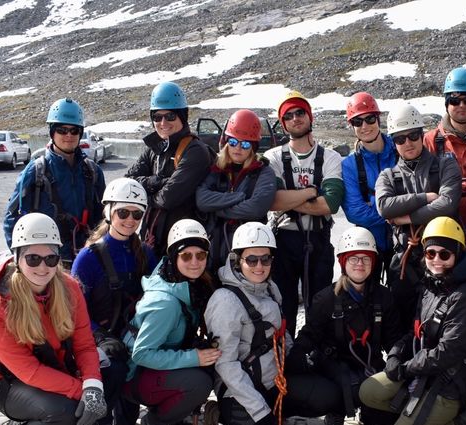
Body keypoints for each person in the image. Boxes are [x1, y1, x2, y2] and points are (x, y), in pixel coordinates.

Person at [0, 213, 110, 425]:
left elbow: (85, 345)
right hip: (7, 381)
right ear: (16, 258)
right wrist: (80, 391)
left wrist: (93, 386)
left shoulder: (70, 289)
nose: (43, 267)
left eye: (50, 258)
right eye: (32, 258)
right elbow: (28, 371)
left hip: (52, 373)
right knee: (63, 411)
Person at [205, 222, 341, 425]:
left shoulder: (270, 288)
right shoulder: (225, 301)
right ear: (237, 260)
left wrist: (295, 356)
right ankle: (218, 417)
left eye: (265, 259)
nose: (259, 266)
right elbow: (225, 363)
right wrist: (258, 409)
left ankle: (276, 416)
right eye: (252, 260)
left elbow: (279, 332)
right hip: (239, 390)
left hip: (271, 381)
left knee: (328, 396)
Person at [359, 217, 466, 425]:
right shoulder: (430, 285)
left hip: (449, 385)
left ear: (458, 254)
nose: (436, 260)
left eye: (444, 253)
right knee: (369, 391)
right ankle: (418, 418)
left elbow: (447, 353)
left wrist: (406, 368)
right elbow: (416, 331)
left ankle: (457, 424)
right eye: (430, 252)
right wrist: (396, 353)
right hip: (423, 374)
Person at [70, 178, 158, 425]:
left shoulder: (145, 253)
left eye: (137, 214)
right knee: (114, 367)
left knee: (127, 420)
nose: (129, 220)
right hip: (99, 336)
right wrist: (98, 336)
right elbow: (76, 310)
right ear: (109, 212)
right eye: (123, 212)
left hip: (133, 335)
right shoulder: (87, 258)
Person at [289, 226, 402, 425]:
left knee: (389, 398)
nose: (360, 264)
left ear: (373, 262)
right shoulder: (326, 299)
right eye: (353, 259)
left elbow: (394, 337)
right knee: (341, 386)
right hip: (335, 368)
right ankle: (335, 411)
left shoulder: (383, 297)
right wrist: (293, 361)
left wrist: (396, 360)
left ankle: (370, 407)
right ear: (343, 262)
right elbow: (309, 334)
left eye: (365, 259)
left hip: (370, 364)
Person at [123, 219, 218, 425]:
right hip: (135, 375)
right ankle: (157, 423)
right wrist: (193, 358)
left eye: (200, 255)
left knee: (207, 366)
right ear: (174, 257)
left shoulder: (185, 283)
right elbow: (142, 353)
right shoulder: (165, 304)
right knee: (200, 382)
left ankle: (173, 412)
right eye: (186, 256)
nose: (195, 262)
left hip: (152, 368)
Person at [265, 91, 344, 336]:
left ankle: (317, 355)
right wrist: (311, 191)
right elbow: (273, 201)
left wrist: (290, 199)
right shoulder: (274, 157)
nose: (295, 118)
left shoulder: (330, 157)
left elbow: (330, 204)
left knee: (319, 304)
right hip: (284, 240)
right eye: (288, 115)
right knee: (283, 304)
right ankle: (285, 357)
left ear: (309, 116)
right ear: (283, 122)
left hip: (319, 239)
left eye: (300, 112)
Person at [375, 104, 461, 324]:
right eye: (400, 139)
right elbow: (384, 206)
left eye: (413, 135)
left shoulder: (446, 166)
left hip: (444, 262)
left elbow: (448, 204)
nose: (408, 142)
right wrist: (425, 198)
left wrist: (407, 218)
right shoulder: (387, 176)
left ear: (422, 135)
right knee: (405, 326)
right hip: (405, 265)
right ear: (393, 143)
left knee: (451, 324)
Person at [4, 98, 106, 265]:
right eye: (62, 130)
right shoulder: (35, 172)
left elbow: (103, 217)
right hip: (48, 264)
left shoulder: (93, 172)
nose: (68, 135)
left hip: (87, 259)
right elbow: (12, 220)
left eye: (74, 130)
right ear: (52, 132)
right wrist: (25, 262)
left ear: (80, 133)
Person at [126, 81, 215, 258]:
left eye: (170, 116)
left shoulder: (195, 151)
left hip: (185, 247)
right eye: (157, 117)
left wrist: (144, 195)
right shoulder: (154, 148)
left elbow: (167, 198)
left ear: (183, 116)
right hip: (153, 239)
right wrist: (157, 181)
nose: (163, 122)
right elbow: (128, 182)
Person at [196, 109, 277, 276]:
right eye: (233, 142)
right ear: (226, 142)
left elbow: (256, 208)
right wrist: (238, 196)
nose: (238, 148)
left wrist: (217, 209)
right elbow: (201, 200)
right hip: (214, 246)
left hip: (248, 253)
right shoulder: (216, 168)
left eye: (245, 144)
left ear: (253, 147)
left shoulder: (263, 172)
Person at [340, 92, 396, 279]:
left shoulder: (401, 149)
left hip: (405, 241)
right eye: (357, 122)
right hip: (370, 244)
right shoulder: (349, 165)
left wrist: (373, 203)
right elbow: (355, 211)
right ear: (352, 126)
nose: (365, 126)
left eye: (370, 118)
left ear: (378, 119)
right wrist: (398, 214)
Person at [423, 67, 466, 230]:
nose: (462, 105)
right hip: (445, 228)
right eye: (454, 100)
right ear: (446, 104)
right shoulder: (431, 140)